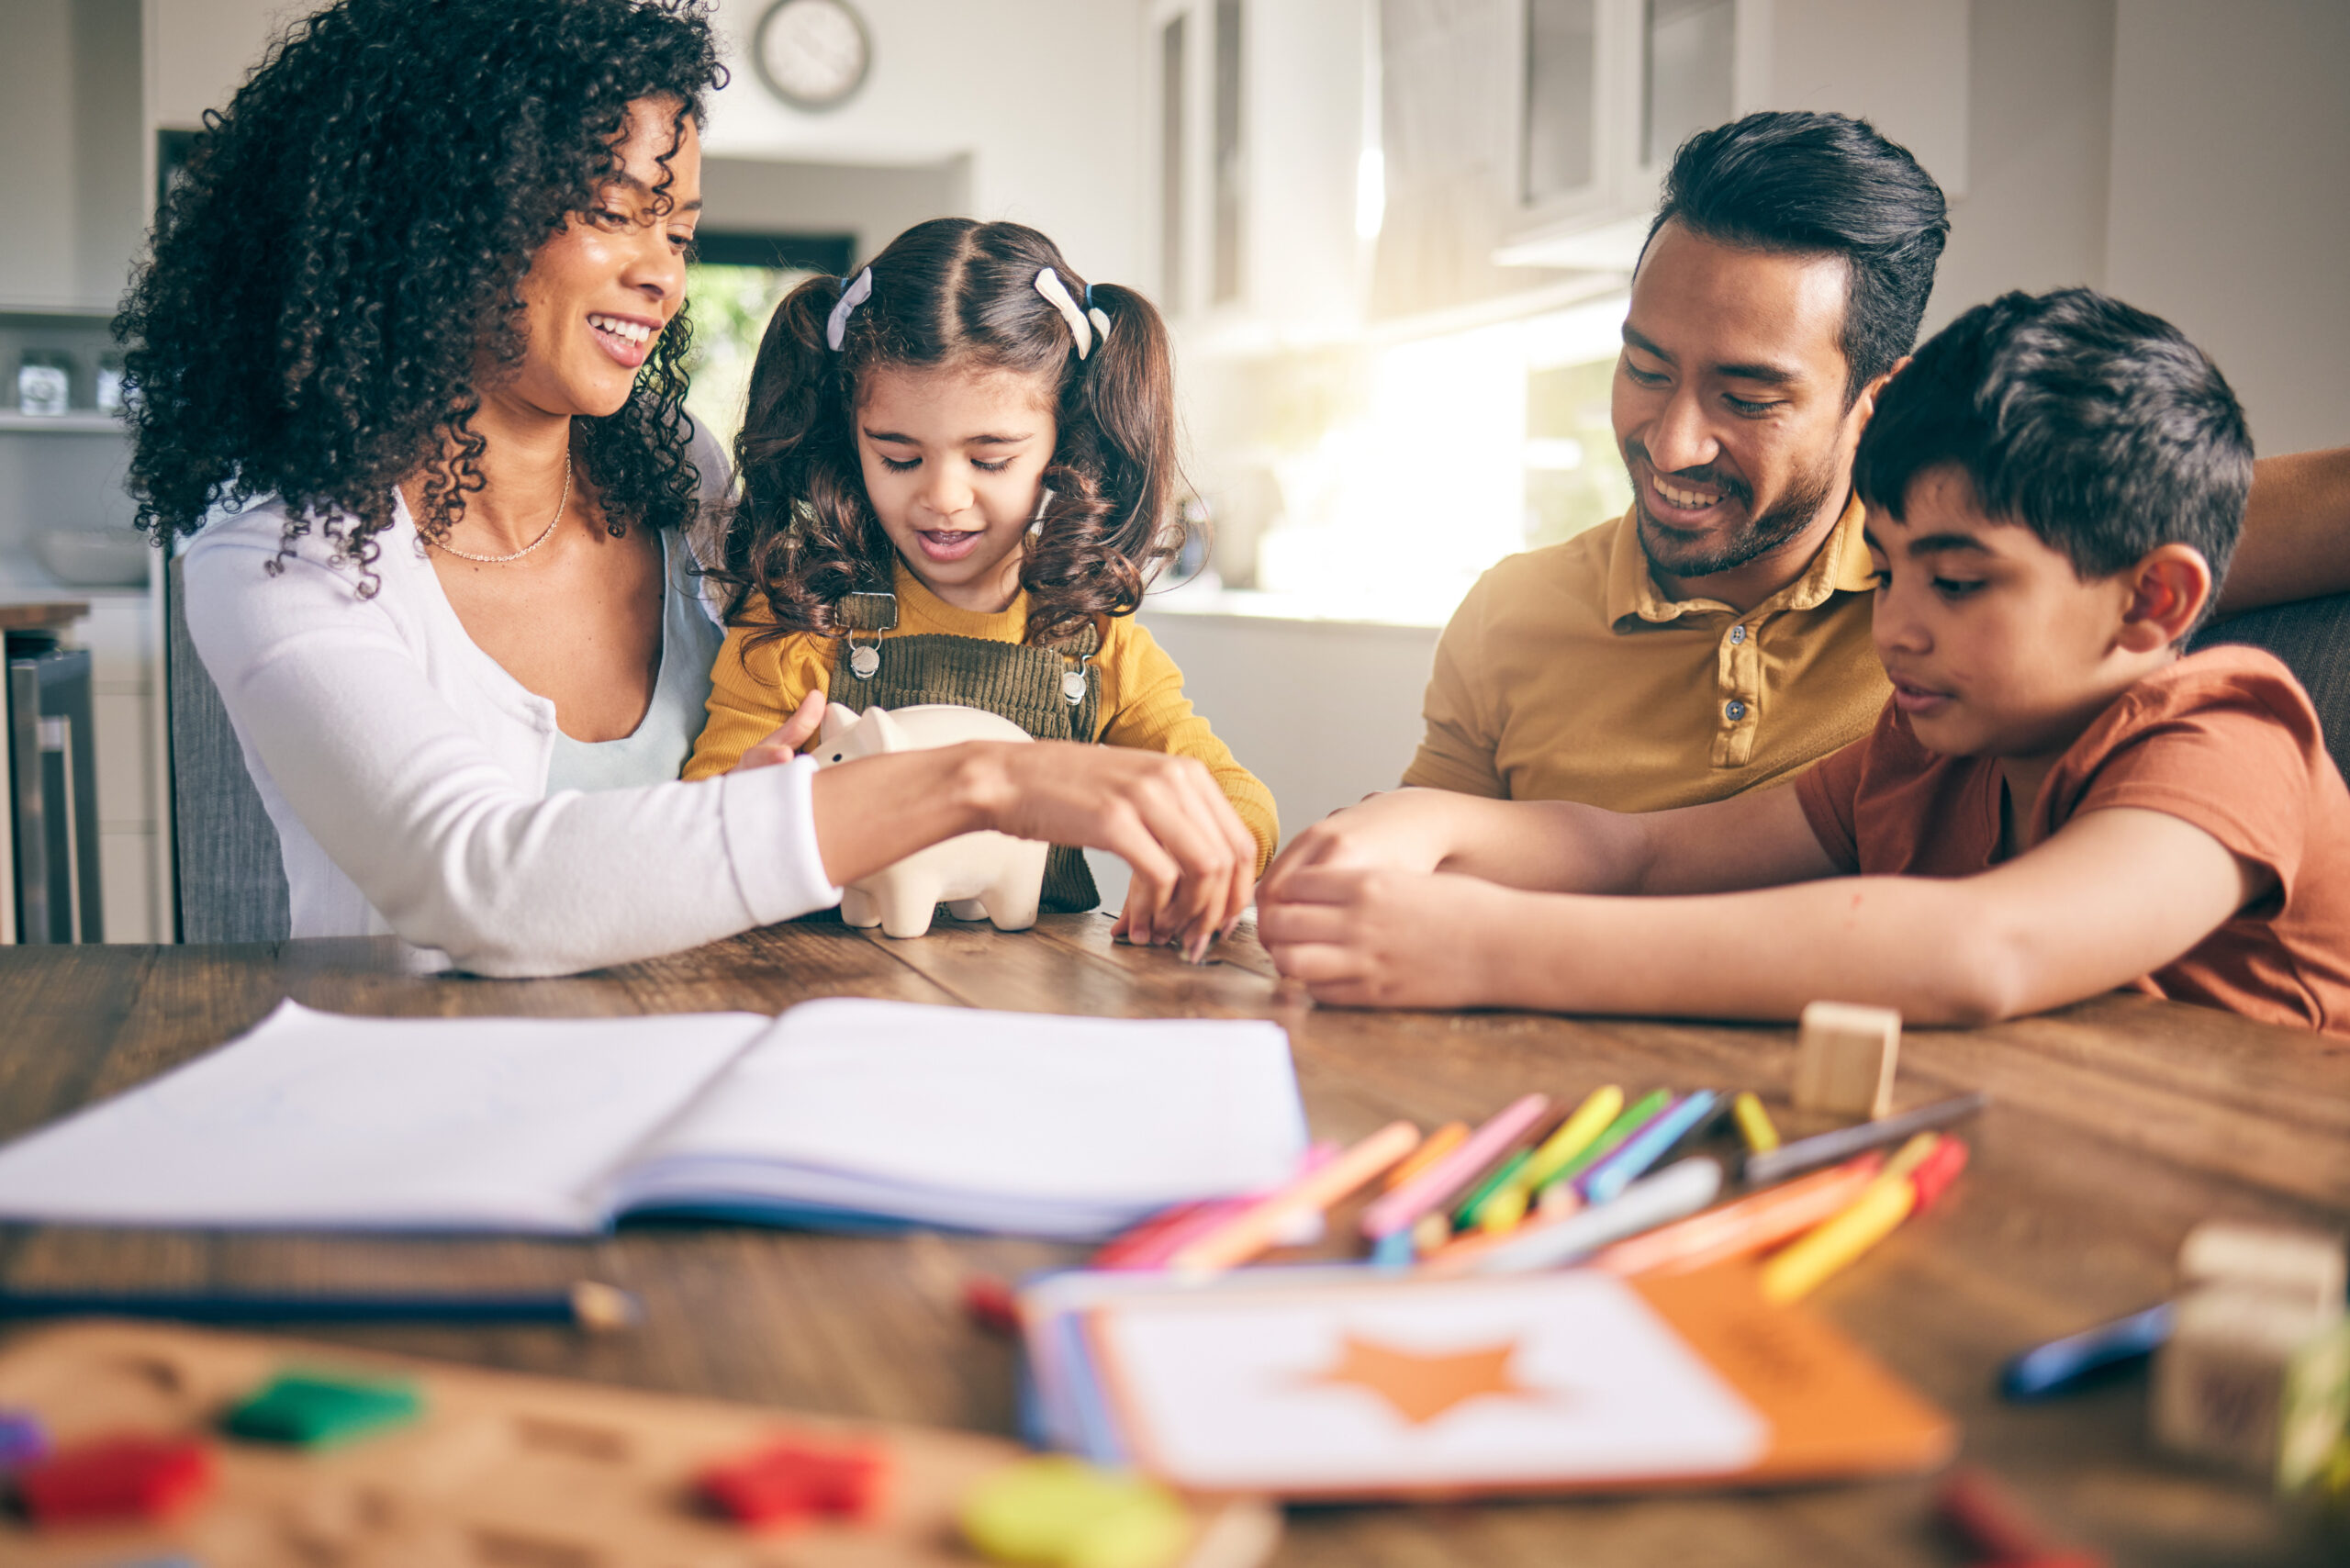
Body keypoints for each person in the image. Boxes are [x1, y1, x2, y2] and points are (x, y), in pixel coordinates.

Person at [129, 0, 1253, 978]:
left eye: (679, 226)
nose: (662, 272)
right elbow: (470, 881)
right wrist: (969, 782)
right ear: (436, 217)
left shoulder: (680, 480)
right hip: (428, 1109)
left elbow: (751, 780)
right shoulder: (279, 552)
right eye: (614, 212)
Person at [1259, 289, 2350, 1036]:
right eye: (1885, 573)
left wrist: (1491, 947)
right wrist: (1427, 825)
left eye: (1959, 582)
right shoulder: (1926, 747)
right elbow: (1643, 854)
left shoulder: (2227, 737)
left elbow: (1984, 949)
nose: (1899, 630)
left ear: (2151, 602)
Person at [1400, 109, 2350, 814]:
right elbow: (1420, 862)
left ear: (1876, 403)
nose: (1672, 441)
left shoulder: (2000, 568)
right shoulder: (1508, 615)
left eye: (1748, 398)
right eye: (1645, 368)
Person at [685, 218, 1277, 947]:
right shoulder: (801, 622)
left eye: (991, 459)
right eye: (899, 457)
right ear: (852, 437)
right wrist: (746, 804)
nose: (944, 497)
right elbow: (695, 832)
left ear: (1065, 439)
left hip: (1031, 1015)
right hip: (834, 1003)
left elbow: (1236, 797)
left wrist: (1217, 851)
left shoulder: (1092, 645)